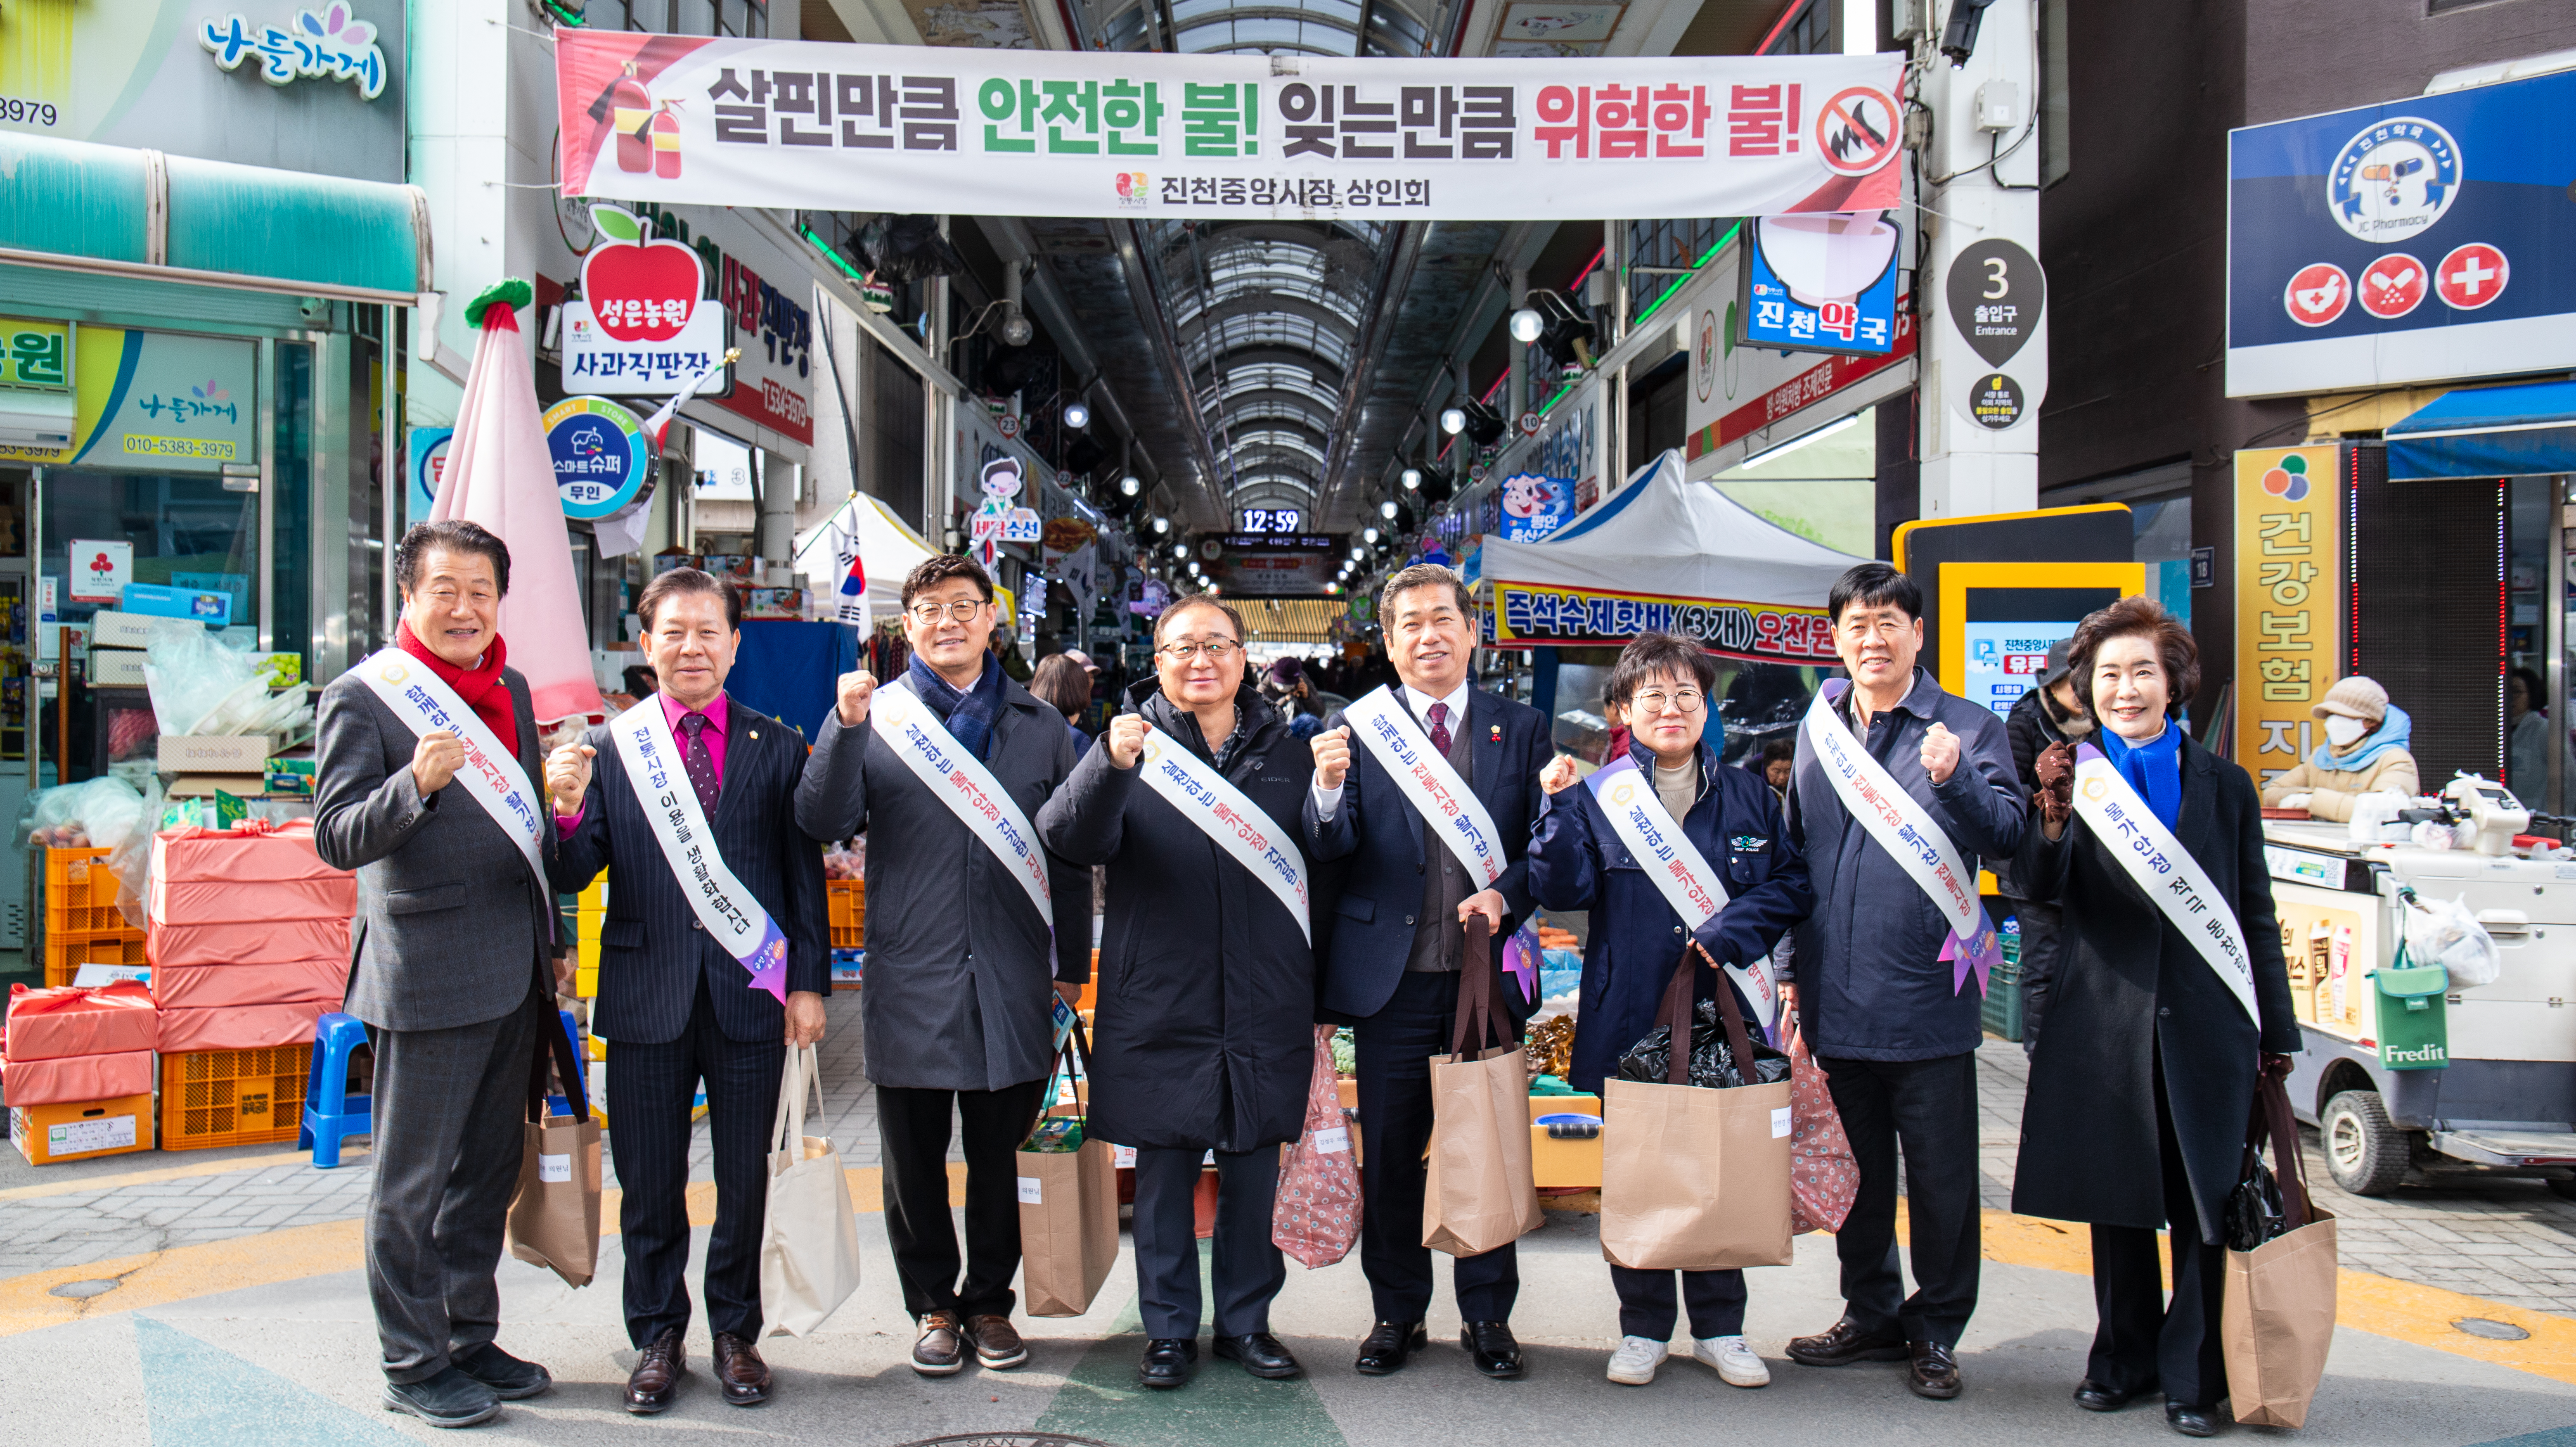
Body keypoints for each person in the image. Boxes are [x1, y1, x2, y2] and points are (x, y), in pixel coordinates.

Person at [795, 555, 1093, 1377]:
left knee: (1002, 1154)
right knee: (912, 1159)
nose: (947, 621)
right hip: (911, 971)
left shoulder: (1042, 728)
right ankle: (932, 1304)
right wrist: (844, 728)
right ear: (909, 627)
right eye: (928, 609)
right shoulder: (879, 717)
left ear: (993, 619)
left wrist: (1073, 965)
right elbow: (821, 818)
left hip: (1012, 974)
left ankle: (990, 1304)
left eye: (964, 606)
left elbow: (1068, 857)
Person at [543, 568, 831, 1413]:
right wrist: (561, 811)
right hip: (643, 998)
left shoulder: (777, 747)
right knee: (649, 1182)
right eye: (674, 632)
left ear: (736, 645)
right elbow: (573, 869)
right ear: (647, 644)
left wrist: (808, 985)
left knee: (745, 1178)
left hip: (751, 997)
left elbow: (799, 878)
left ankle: (737, 1333)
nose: (692, 647)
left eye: (709, 632)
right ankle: (657, 1336)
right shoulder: (607, 748)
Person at [2020, 596, 2302, 1439]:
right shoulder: (2072, 772)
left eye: (2142, 671)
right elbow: (2036, 886)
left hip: (2204, 1021)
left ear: (2174, 681)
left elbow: (2255, 913)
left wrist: (2277, 1033)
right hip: (2102, 1020)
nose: (2126, 689)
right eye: (2108, 675)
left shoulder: (2225, 785)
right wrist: (2053, 816)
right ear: (2086, 689)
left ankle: (2195, 1375)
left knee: (2202, 1205)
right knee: (2117, 1200)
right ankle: (2122, 1358)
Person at [313, 520, 561, 1428]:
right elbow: (337, 837)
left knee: (488, 1175)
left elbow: (528, 836)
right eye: (445, 590)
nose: (465, 609)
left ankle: (468, 1336)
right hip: (423, 974)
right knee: (410, 1185)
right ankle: (412, 1362)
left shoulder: (516, 690)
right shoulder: (364, 697)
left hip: (515, 970)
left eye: (482, 592)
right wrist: (412, 787)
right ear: (409, 598)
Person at [1036, 595, 1316, 1390]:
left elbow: (1325, 864)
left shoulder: (1289, 752)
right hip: (1159, 989)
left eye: (1217, 645)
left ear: (1243, 657)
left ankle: (1246, 1322)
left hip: (1265, 994)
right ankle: (1166, 1332)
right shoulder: (1131, 744)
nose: (1201, 660)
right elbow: (1068, 838)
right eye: (1182, 646)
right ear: (1156, 660)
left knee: (1253, 1164)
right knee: (1162, 1172)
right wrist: (1108, 765)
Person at [1528, 631, 1812, 1390]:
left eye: (1687, 693)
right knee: (1638, 1173)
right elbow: (1564, 889)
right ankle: (1644, 1325)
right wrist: (1556, 809)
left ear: (1706, 704)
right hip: (1631, 1010)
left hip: (1726, 1009)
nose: (1672, 707)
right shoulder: (1597, 794)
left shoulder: (1753, 794)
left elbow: (1790, 885)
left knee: (1723, 1165)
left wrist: (1730, 930)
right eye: (1653, 694)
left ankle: (1722, 1325)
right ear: (1624, 708)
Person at [1783, 561, 2025, 1401]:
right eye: (1856, 625)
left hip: (1928, 999)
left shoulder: (1969, 726)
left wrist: (1956, 776)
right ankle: (1872, 1313)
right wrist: (1787, 974)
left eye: (1889, 622)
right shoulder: (1819, 727)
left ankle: (1938, 1327)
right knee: (1859, 1174)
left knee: (1943, 1179)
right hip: (1834, 994)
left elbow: (2009, 837)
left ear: (1918, 634)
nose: (1872, 639)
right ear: (1838, 639)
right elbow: (1793, 856)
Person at [1304, 562, 1551, 1380]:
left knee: (1487, 1142)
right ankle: (1396, 1313)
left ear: (1473, 631)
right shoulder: (1357, 729)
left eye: (1442, 619)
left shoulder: (1521, 727)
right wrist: (1329, 793)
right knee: (1396, 1153)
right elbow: (1328, 852)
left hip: (1485, 978)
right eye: (1408, 624)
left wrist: (1506, 896)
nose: (1428, 636)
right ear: (1389, 641)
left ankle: (1488, 1315)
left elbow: (1542, 851)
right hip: (1392, 980)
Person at [2001, 639, 2095, 1053]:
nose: (2076, 691)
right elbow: (2005, 788)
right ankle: (2042, 1053)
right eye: (2066, 682)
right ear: (2050, 684)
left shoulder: (2108, 722)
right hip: (2035, 864)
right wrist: (2046, 799)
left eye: (2082, 682)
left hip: (2091, 866)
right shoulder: (2024, 721)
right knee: (2044, 966)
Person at [2258, 675, 2418, 821]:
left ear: (2371, 722)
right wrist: (2308, 796)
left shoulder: (2395, 760)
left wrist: (2313, 800)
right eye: (2331, 714)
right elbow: (2273, 793)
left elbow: (2382, 811)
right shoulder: (2321, 757)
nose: (2334, 722)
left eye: (2344, 715)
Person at [2507, 666, 2572, 811]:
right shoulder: (2499, 730)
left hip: (2537, 818)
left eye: (2516, 692)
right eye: (2506, 691)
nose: (2509, 697)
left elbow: (2568, 776)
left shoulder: (2544, 729)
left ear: (2532, 694)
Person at [1029, 652, 1096, 749]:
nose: (1090, 681)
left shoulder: (1018, 729)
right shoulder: (1077, 739)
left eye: (1092, 677)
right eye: (1084, 678)